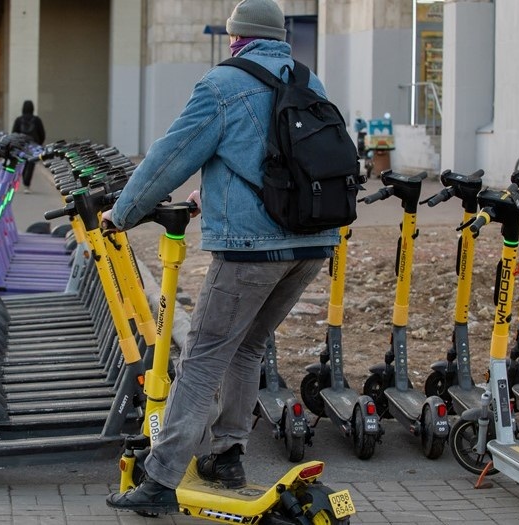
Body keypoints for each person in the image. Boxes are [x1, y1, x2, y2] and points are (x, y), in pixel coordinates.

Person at [103, 0, 338, 515]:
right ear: (280, 37)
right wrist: (205, 197)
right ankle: (227, 455)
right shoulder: (308, 80)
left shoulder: (222, 84)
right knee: (248, 346)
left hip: (252, 249)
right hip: (313, 243)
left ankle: (160, 479)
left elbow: (171, 155)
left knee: (204, 356)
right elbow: (275, 157)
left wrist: (120, 214)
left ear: (236, 37)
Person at [11, 100, 46, 193]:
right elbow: (42, 134)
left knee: (23, 163)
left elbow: (14, 133)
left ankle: (24, 181)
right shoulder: (37, 120)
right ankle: (27, 184)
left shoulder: (18, 120)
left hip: (22, 145)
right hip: (33, 145)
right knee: (31, 164)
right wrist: (39, 144)